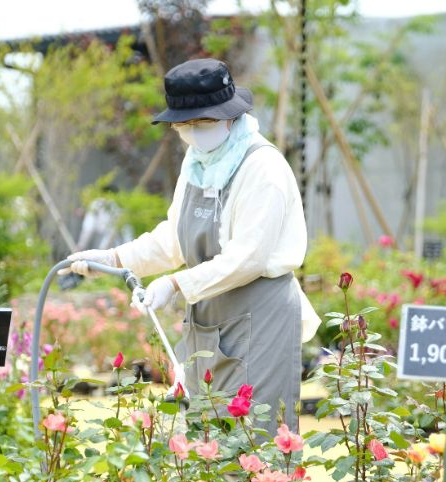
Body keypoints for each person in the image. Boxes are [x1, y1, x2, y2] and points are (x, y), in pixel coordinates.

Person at [60, 58, 320, 432]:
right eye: (184, 126)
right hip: (211, 317)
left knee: (252, 443)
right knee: (206, 437)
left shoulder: (263, 169)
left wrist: (176, 284)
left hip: (260, 316)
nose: (194, 134)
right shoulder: (198, 162)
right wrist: (114, 256)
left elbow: (248, 258)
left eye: (204, 124)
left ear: (229, 116)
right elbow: (175, 237)